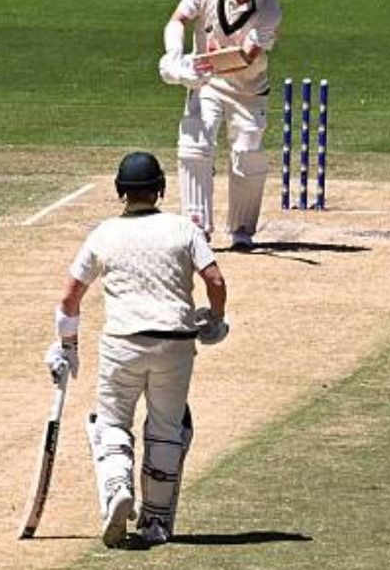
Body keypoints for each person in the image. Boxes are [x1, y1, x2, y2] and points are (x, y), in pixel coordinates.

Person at [44, 152, 228, 547]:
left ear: (119, 192)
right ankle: (155, 522)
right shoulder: (183, 228)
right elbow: (214, 279)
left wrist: (67, 346)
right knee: (167, 429)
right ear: (160, 189)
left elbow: (69, 298)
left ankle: (116, 490)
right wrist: (215, 319)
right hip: (175, 344)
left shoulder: (104, 233)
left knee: (110, 423)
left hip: (123, 344)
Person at [158, 0, 282, 249]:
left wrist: (200, 65)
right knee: (195, 143)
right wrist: (175, 58)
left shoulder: (269, 11)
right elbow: (178, 19)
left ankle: (242, 231)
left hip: (248, 91)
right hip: (208, 85)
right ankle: (197, 228)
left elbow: (245, 57)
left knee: (247, 153)